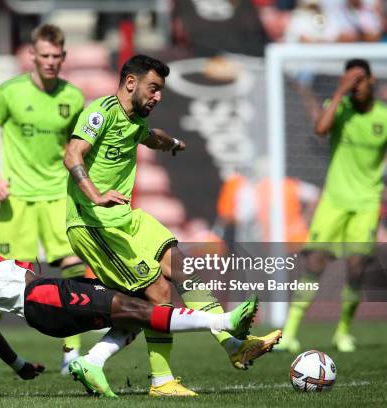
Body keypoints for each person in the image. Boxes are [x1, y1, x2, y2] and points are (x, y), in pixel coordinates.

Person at [0, 192, 261, 398]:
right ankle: (226, 324)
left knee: (136, 309)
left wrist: (19, 365)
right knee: (136, 306)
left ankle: (92, 363)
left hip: (45, 302)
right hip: (43, 299)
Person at [64, 54, 282, 397]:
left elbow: (151, 137)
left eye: (161, 90)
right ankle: (161, 380)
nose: (158, 96)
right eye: (153, 88)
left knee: (180, 264)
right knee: (158, 294)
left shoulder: (133, 122)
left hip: (126, 218)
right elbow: (73, 154)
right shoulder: (100, 111)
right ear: (131, 83)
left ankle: (232, 344)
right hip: (94, 223)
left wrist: (173, 144)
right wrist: (94, 195)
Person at [0, 24, 88, 380]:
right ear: (32, 56)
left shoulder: (73, 97)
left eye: (57, 56)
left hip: (57, 197)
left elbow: (81, 147)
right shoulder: (9, 92)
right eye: (45, 55)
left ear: (64, 56)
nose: (51, 61)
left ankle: (73, 353)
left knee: (73, 268)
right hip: (18, 201)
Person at [276, 59, 387, 354]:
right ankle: (289, 333)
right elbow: (320, 128)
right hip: (333, 201)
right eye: (350, 80)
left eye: (359, 80)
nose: (356, 86)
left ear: (372, 80)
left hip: (366, 204)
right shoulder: (339, 106)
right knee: (314, 264)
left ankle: (342, 332)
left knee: (356, 269)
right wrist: (340, 92)